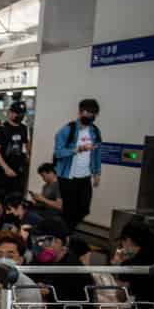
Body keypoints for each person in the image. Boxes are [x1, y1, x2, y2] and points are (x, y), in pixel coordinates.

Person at [52, 98, 102, 230]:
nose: (88, 115)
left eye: (91, 113)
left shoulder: (95, 131)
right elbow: (58, 153)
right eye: (85, 112)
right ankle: (65, 235)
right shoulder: (68, 130)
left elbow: (97, 153)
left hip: (85, 176)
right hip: (68, 176)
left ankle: (65, 231)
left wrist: (97, 173)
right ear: (80, 112)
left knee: (84, 209)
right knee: (69, 210)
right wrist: (78, 149)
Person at [29, 217, 91, 303]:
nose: (40, 245)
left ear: (61, 242)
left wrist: (49, 293)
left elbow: (76, 301)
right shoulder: (39, 261)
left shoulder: (73, 269)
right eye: (36, 240)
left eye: (45, 241)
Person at [112, 220, 154, 304]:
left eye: (122, 242)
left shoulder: (129, 265)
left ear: (128, 240)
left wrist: (117, 267)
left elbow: (121, 297)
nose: (122, 247)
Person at [0, 100, 30, 196]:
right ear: (10, 113)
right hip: (3, 171)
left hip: (18, 169)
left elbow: (26, 144)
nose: (20, 116)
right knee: (2, 197)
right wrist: (6, 168)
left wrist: (28, 157)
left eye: (22, 113)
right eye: (17, 113)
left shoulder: (24, 128)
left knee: (17, 196)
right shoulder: (2, 129)